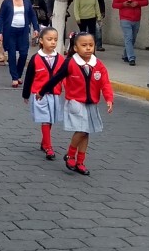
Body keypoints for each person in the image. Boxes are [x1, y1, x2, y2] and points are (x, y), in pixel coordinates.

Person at [38, 32, 114, 176]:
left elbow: (105, 83)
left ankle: (80, 161)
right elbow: (56, 78)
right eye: (84, 45)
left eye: (91, 45)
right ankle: (70, 154)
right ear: (75, 47)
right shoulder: (70, 63)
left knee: (86, 132)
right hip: (75, 102)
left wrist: (109, 99)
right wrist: (42, 91)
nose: (88, 48)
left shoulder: (97, 64)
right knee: (81, 130)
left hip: (91, 102)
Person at [22, 28, 65, 160]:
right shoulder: (35, 59)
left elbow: (64, 76)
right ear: (41, 41)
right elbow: (29, 77)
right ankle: (48, 147)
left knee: (51, 119)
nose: (53, 42)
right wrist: (26, 94)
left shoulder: (61, 59)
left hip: (55, 94)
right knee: (45, 119)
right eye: (49, 39)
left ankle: (44, 141)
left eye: (55, 40)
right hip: (39, 95)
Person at [0, 0, 40, 88]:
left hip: (23, 32)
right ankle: (14, 78)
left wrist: (36, 28)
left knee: (24, 54)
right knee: (11, 55)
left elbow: (32, 16)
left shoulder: (27, 1)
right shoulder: (7, 2)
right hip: (10, 32)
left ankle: (19, 75)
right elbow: (1, 17)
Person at [111, 0, 148, 67]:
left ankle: (126, 54)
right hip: (125, 18)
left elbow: (146, 2)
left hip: (136, 18)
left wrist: (137, 3)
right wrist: (123, 4)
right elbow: (114, 4)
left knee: (132, 39)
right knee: (128, 38)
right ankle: (131, 58)